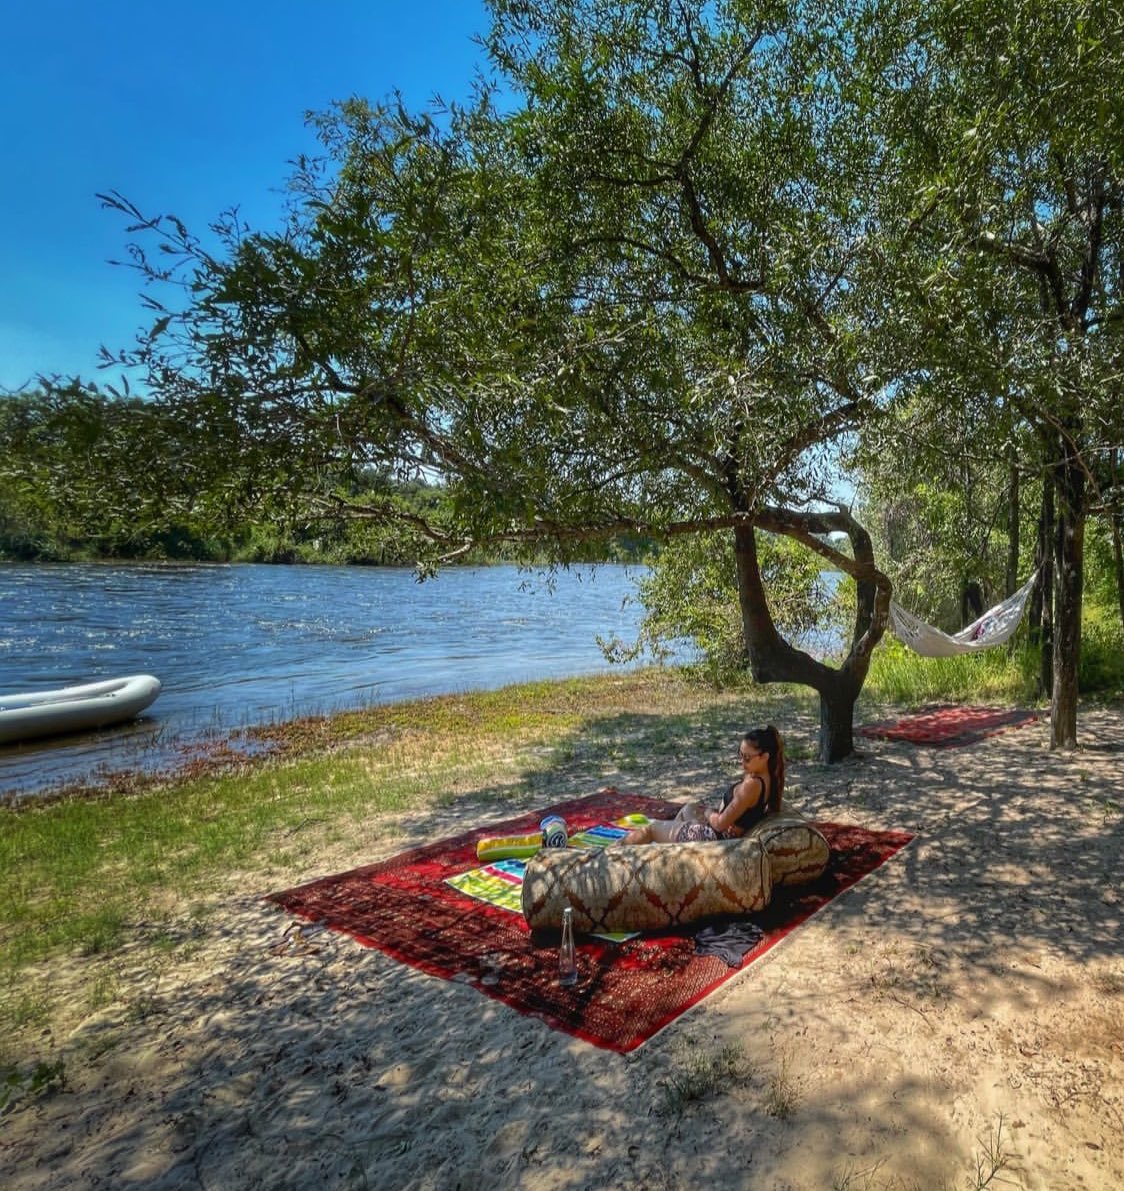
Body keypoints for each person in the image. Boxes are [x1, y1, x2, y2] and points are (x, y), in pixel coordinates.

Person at [621, 725, 785, 845]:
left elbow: (720, 824)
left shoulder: (753, 785)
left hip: (714, 837)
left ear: (764, 757)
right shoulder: (768, 777)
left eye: (747, 758)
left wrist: (708, 812)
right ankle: (672, 847)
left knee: (651, 828)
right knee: (689, 808)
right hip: (721, 832)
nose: (741, 762)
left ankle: (612, 853)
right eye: (740, 755)